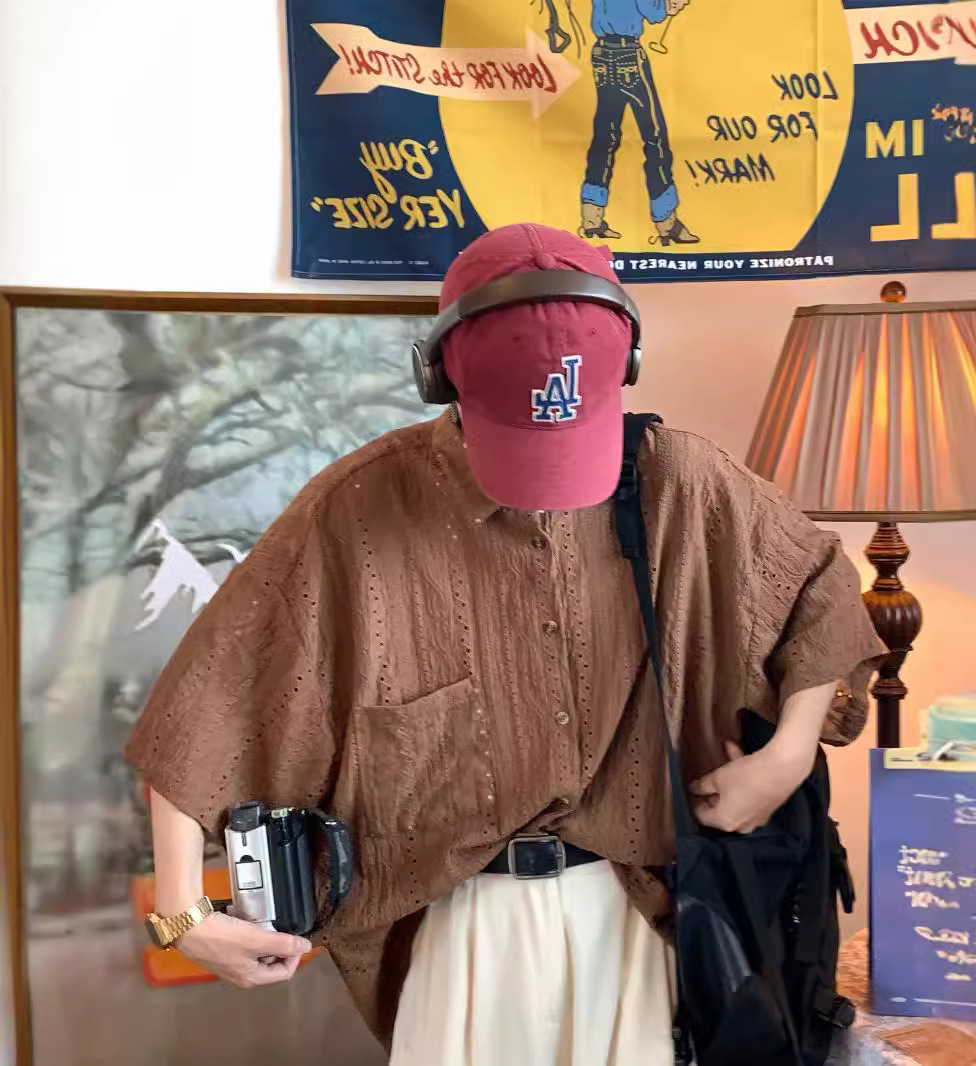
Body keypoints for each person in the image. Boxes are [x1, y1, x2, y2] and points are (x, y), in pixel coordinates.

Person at [124, 222, 885, 1065]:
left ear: (626, 367)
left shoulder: (681, 480)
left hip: (645, 924)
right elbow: (213, 699)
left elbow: (821, 592)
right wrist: (183, 914)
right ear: (438, 375)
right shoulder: (360, 510)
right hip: (465, 936)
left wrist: (786, 756)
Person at [579, 0, 699, 245]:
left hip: (601, 55)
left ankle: (591, 219)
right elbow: (654, 13)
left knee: (605, 137)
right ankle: (666, 223)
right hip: (628, 56)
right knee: (655, 138)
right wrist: (671, 5)